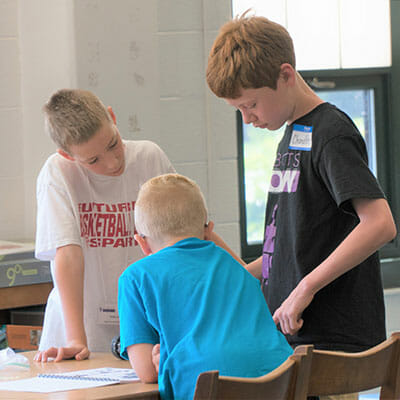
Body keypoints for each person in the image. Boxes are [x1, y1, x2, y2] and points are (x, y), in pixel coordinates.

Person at [206, 14, 397, 357]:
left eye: (250, 104)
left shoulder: (331, 133)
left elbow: (380, 224)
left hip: (330, 340)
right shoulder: (291, 135)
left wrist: (305, 287)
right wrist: (232, 275)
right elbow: (292, 247)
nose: (247, 118)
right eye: (238, 109)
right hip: (292, 338)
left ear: (286, 75)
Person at [118, 173, 293, 400]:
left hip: (206, 387)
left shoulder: (134, 277)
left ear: (142, 242)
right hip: (283, 379)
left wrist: (161, 359)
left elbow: (146, 372)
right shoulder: (236, 269)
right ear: (209, 230)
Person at [34, 89, 175, 362]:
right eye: (93, 160)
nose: (112, 163)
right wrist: (76, 339)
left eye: (112, 144)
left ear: (112, 117)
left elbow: (188, 234)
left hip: (145, 327)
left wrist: (239, 272)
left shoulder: (149, 157)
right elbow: (68, 254)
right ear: (66, 154)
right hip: (80, 328)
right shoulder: (57, 173)